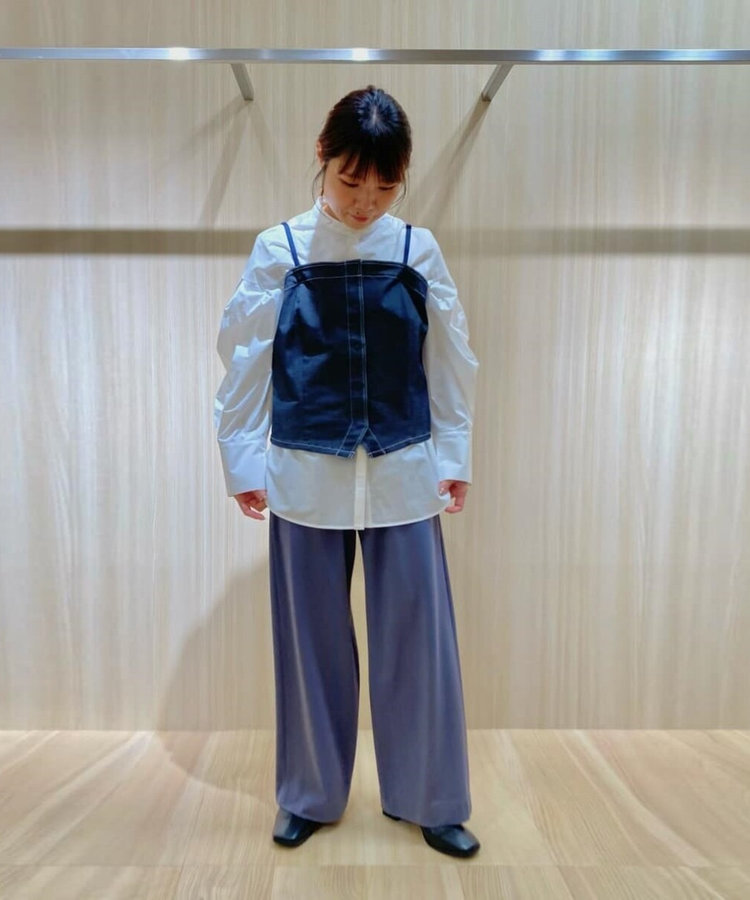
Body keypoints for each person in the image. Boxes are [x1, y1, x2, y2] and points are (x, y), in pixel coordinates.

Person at [214, 86, 480, 858]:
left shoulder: (416, 250)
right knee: (311, 646)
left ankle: (430, 798)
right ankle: (309, 794)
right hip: (304, 475)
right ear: (322, 159)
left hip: (405, 473)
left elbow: (451, 360)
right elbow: (244, 359)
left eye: (385, 186)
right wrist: (241, 459)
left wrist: (454, 456)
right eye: (350, 180)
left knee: (420, 644)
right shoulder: (281, 250)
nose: (365, 202)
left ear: (403, 176)